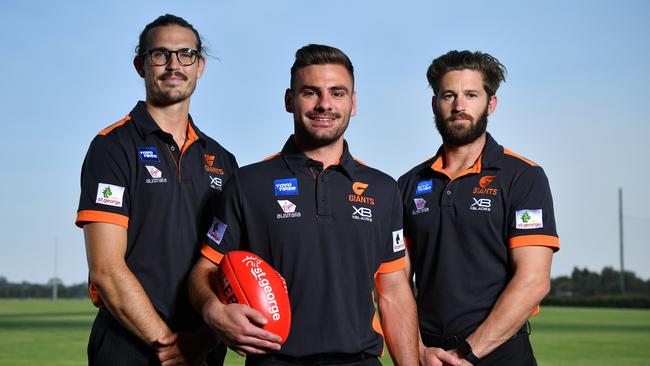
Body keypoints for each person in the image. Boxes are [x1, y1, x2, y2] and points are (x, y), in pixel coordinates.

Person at [188, 44, 419, 366]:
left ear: (353, 104)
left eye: (337, 93)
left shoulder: (383, 190)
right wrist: (213, 310)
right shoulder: (248, 183)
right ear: (289, 100)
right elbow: (205, 269)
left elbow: (393, 292)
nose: (325, 104)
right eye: (311, 92)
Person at [75, 14, 237, 365]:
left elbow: (232, 264)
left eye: (186, 54)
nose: (174, 64)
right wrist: (169, 346)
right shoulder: (112, 147)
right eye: (160, 54)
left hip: (203, 350)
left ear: (200, 66)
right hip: (129, 347)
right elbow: (105, 269)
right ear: (141, 64)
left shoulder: (223, 160)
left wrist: (203, 342)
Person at [398, 50, 559, 366]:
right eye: (449, 95)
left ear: (491, 104)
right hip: (430, 357)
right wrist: (416, 350)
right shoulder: (407, 184)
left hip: (500, 354)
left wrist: (467, 353)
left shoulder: (523, 177)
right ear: (435, 104)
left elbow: (534, 280)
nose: (459, 106)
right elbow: (395, 281)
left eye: (471, 95)